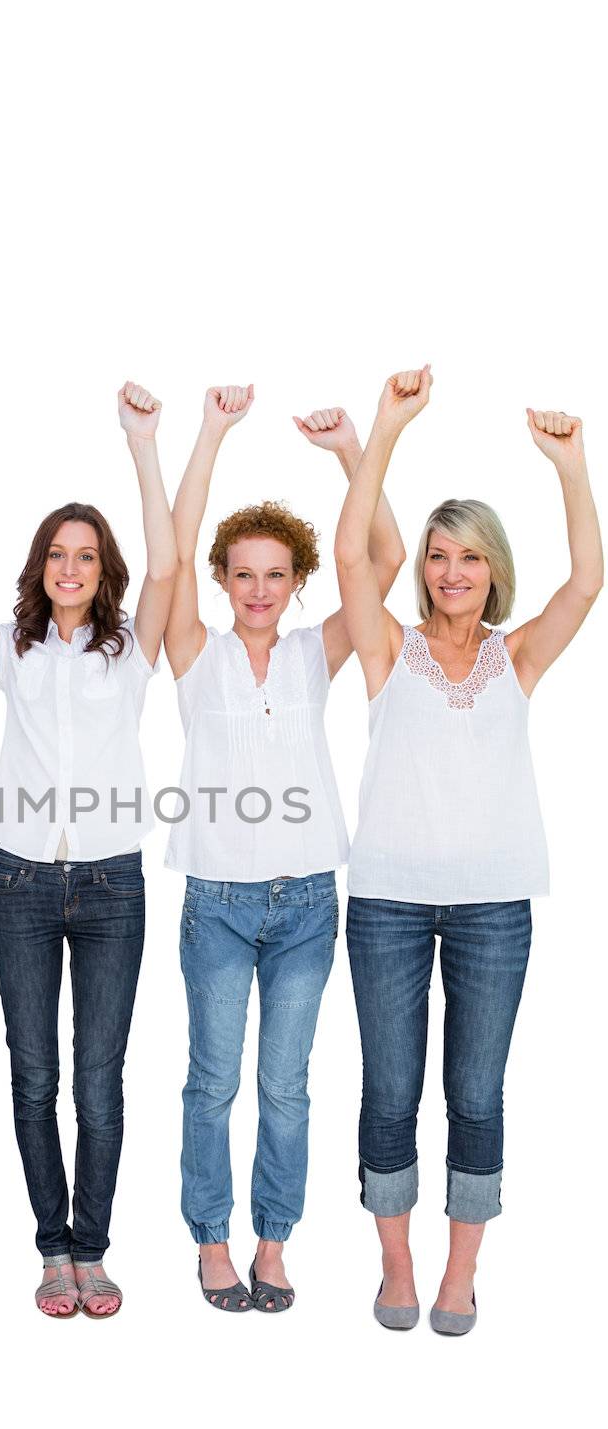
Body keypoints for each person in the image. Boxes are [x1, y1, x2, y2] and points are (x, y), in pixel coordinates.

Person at [336, 367, 603, 1334]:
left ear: (494, 571)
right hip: (388, 906)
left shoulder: (515, 656)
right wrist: (385, 428)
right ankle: (395, 1265)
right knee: (390, 1090)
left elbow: (587, 582)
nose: (452, 572)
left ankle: (461, 1271)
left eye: (470, 558)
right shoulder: (387, 650)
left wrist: (571, 466)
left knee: (477, 1091)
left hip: (495, 906)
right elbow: (350, 561)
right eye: (440, 556)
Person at [0, 384, 176, 1318]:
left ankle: (94, 1248)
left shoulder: (129, 650)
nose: (72, 567)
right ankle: (50, 1249)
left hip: (112, 886)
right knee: (35, 1074)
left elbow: (170, 567)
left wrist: (141, 444)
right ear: (40, 567)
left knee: (100, 1078)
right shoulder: (13, 650)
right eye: (58, 555)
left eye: (87, 555)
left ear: (101, 568)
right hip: (21, 884)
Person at [165, 384, 405, 1312]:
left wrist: (353, 450)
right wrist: (211, 434)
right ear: (225, 581)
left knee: (287, 1088)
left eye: (275, 575)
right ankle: (211, 1240)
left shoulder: (317, 650)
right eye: (242, 574)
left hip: (307, 902)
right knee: (214, 1082)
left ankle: (274, 1241)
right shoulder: (195, 654)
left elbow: (383, 556)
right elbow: (172, 553)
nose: (258, 590)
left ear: (297, 580)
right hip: (218, 904)